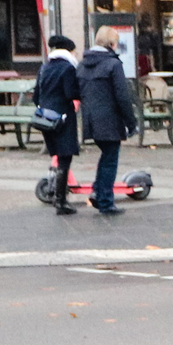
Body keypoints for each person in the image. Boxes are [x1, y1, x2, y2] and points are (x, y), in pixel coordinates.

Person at [75, 25, 137, 216]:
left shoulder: (83, 64)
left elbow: (77, 90)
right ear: (112, 43)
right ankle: (105, 201)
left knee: (106, 157)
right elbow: (122, 96)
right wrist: (131, 122)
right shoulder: (113, 64)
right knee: (110, 160)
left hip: (90, 119)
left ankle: (97, 191)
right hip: (110, 119)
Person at [34, 34, 82, 215]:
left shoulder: (44, 68)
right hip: (63, 119)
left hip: (46, 120)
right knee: (65, 158)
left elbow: (36, 96)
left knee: (57, 156)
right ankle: (60, 201)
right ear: (68, 51)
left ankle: (56, 195)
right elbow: (71, 93)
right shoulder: (67, 69)